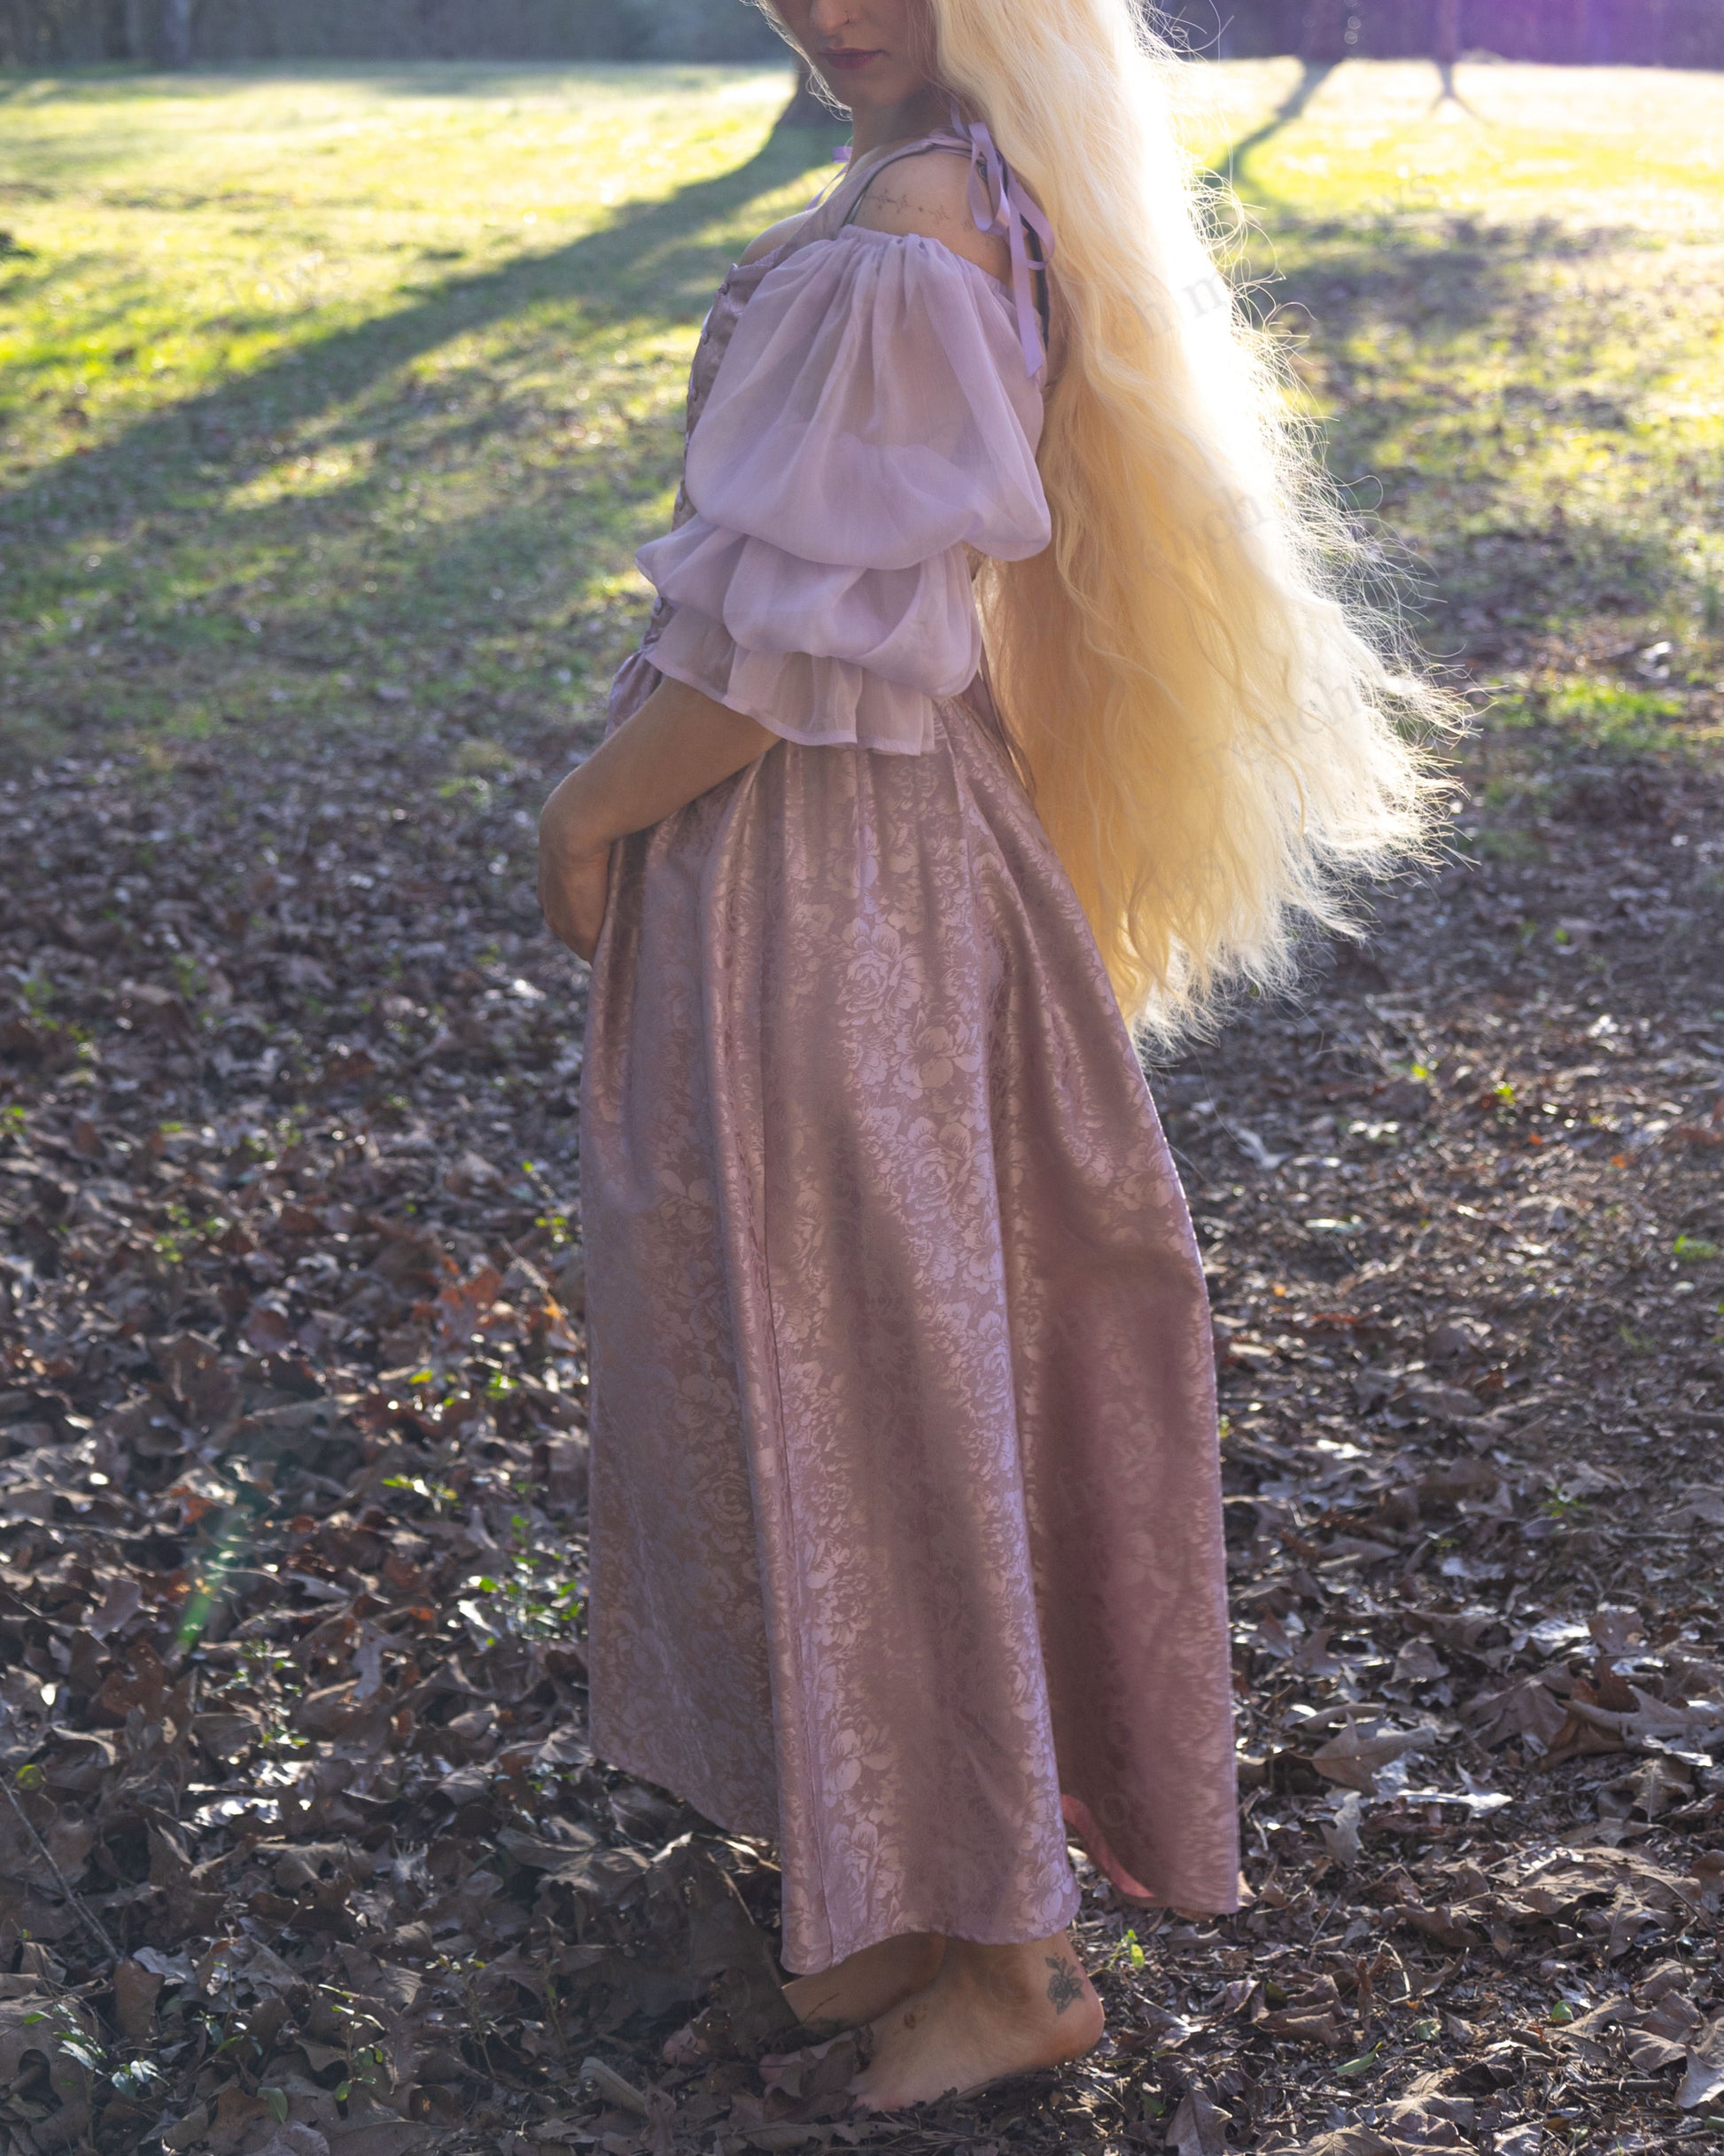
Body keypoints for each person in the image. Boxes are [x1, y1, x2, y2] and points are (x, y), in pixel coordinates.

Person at [538, 0, 1443, 2113]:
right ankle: (889, 1902)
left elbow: (778, 655)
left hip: (829, 888)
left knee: (878, 1373)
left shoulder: (917, 228)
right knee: (832, 1356)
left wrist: (587, 805)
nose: (831, 7)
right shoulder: (932, 192)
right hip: (839, 878)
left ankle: (1012, 1949)